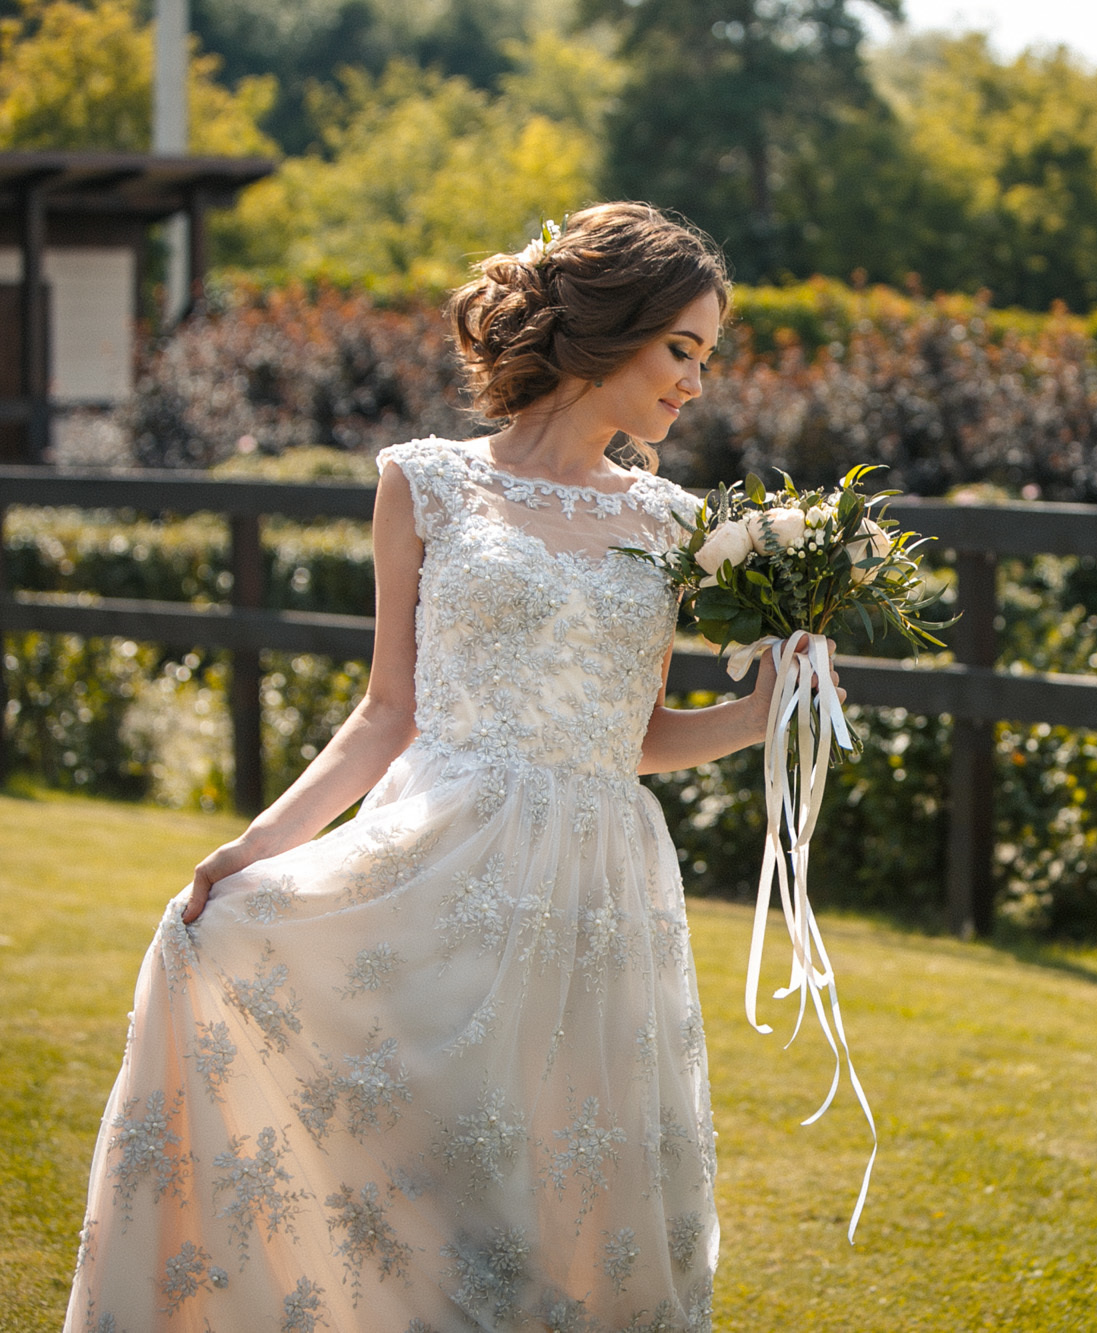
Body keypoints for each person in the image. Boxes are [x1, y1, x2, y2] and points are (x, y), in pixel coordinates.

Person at [64, 202, 785, 1332]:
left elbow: (634, 734)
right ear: (606, 327)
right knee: (428, 1168)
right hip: (441, 856)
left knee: (565, 1185)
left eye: (707, 357)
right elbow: (384, 710)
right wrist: (257, 848)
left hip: (598, 888)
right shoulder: (427, 480)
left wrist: (757, 713)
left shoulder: (673, 522)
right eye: (680, 349)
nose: (696, 383)